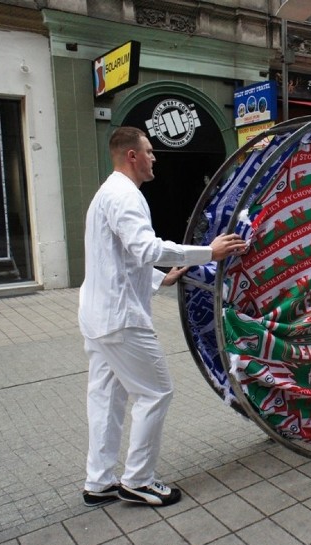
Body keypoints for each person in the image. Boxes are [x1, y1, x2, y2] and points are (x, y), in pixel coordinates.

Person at [79, 126, 246, 508]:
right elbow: (146, 248)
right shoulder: (126, 196)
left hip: (97, 316)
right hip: (121, 319)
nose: (155, 158)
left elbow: (117, 256)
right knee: (155, 392)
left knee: (106, 398)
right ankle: (139, 480)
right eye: (150, 151)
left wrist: (159, 279)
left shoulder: (107, 193)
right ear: (132, 156)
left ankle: (99, 481)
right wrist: (209, 252)